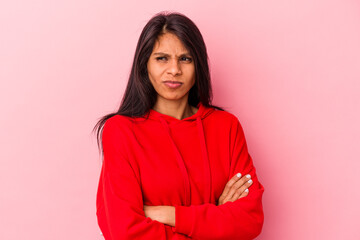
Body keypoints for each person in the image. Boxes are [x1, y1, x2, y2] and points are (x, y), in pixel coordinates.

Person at [93, 11, 265, 240]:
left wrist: (171, 215)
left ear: (198, 66)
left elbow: (249, 220)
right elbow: (124, 232)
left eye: (185, 59)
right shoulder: (120, 131)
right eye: (162, 58)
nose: (174, 69)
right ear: (145, 64)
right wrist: (216, 216)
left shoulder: (226, 127)